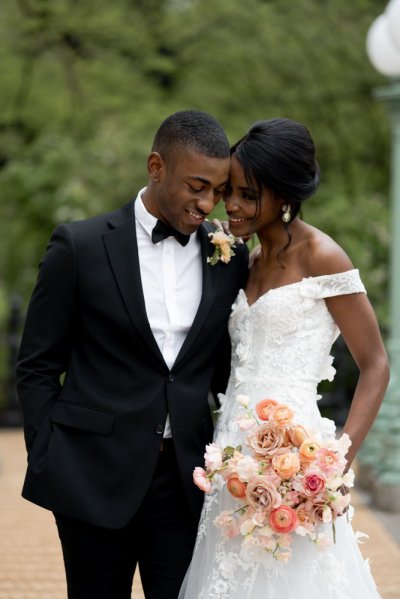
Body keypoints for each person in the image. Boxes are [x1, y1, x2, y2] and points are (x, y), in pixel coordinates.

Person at [16, 110, 249, 599]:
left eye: (218, 190)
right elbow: (37, 366)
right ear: (156, 167)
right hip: (91, 476)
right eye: (196, 186)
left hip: (187, 482)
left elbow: (227, 372)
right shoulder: (78, 246)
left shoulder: (228, 256)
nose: (207, 203)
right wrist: (49, 456)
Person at [178, 118, 390, 599]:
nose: (231, 205)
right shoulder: (242, 259)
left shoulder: (323, 257)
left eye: (248, 195)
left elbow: (376, 364)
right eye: (229, 190)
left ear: (286, 197)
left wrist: (334, 465)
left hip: (297, 460)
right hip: (231, 455)